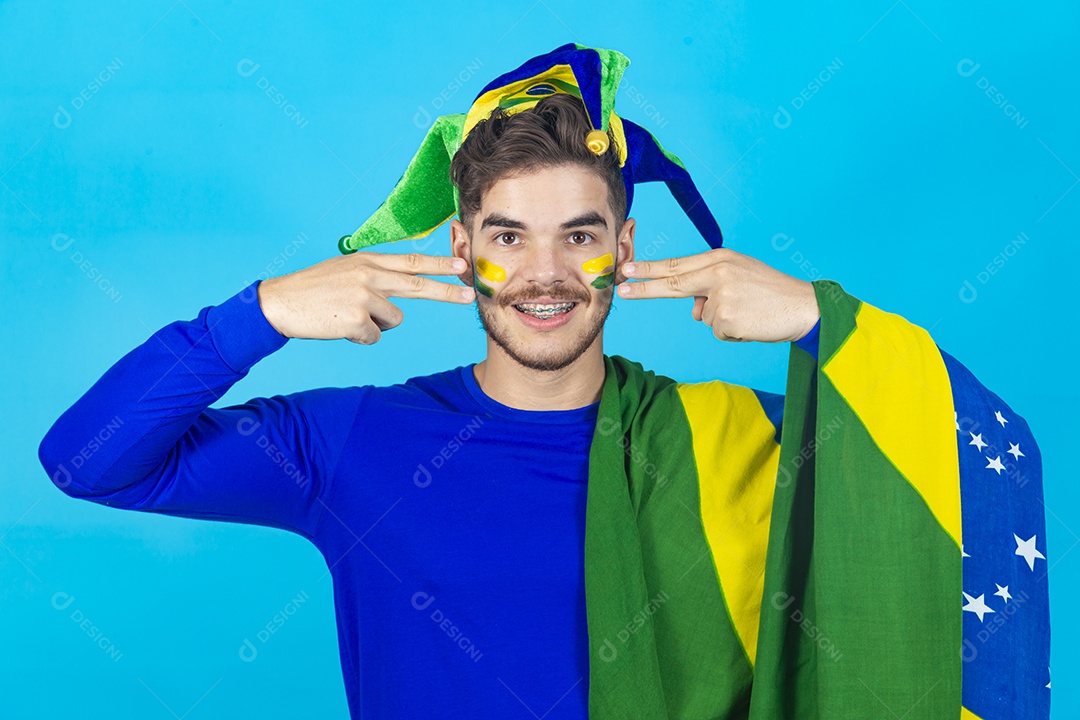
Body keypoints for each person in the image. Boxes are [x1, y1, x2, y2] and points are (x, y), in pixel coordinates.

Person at [38, 44, 1049, 719]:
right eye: (509, 238)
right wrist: (252, 317)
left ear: (625, 246)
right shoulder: (354, 444)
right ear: (463, 245)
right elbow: (89, 463)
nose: (545, 276)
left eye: (580, 236)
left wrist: (827, 328)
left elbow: (962, 477)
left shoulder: (745, 436)